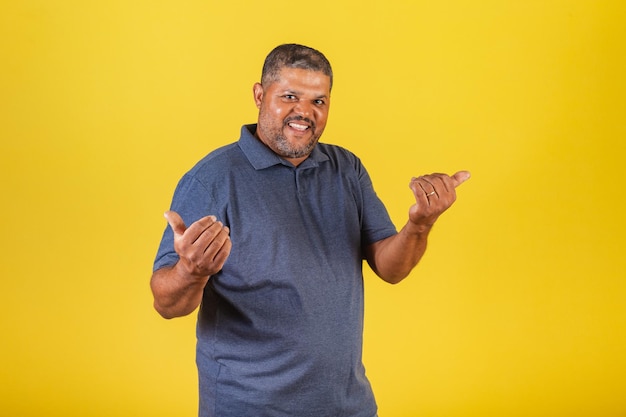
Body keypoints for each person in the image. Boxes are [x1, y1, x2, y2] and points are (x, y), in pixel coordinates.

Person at [151, 43, 470, 417]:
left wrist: (420, 224)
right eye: (289, 96)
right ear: (259, 95)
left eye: (319, 101)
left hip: (346, 405)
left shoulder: (346, 169)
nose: (304, 112)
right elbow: (166, 304)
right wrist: (191, 271)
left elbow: (391, 267)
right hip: (248, 407)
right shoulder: (213, 179)